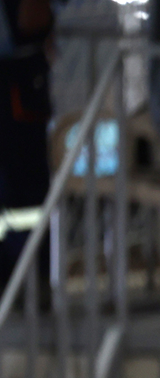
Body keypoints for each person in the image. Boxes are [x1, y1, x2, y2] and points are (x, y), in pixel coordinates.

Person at [0, 0, 52, 286]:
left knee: (25, 186)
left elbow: (32, 19)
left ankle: (32, 276)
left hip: (17, 81)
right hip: (18, 78)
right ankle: (29, 276)